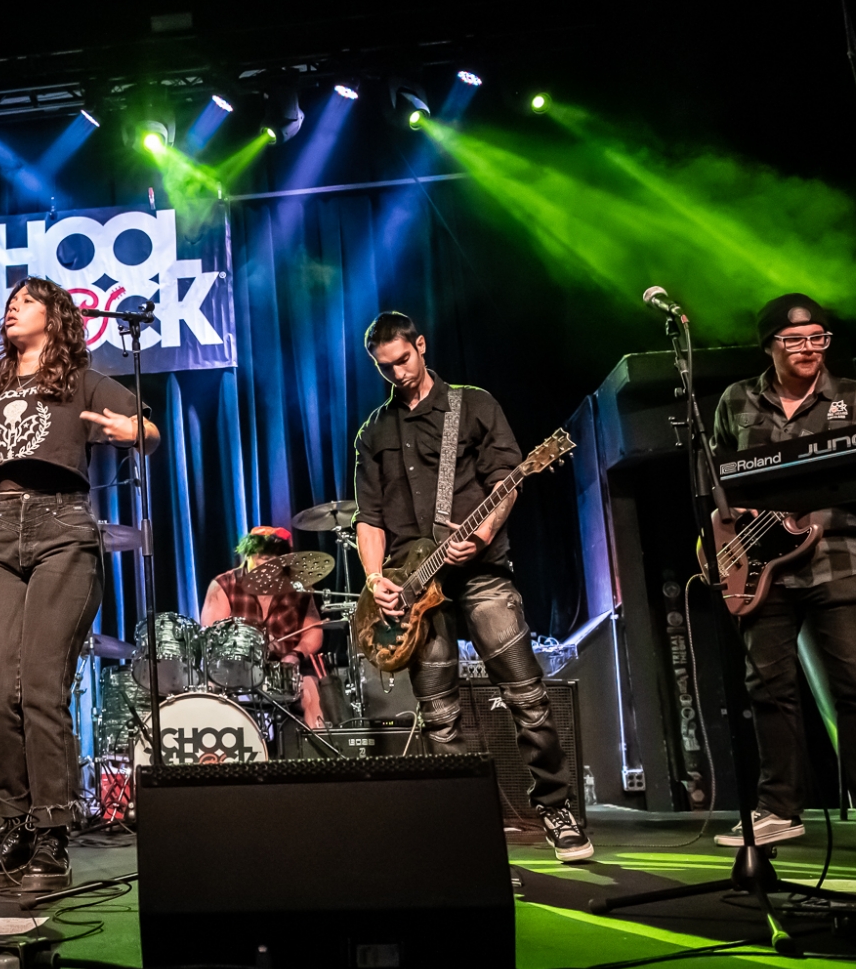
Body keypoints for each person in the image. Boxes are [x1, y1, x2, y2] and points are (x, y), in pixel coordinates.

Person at [0, 278, 160, 890]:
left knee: (41, 688)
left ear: (55, 315)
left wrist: (135, 434)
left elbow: (146, 430)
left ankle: (53, 830)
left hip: (63, 531)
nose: (11, 309)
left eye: (25, 300)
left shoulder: (81, 377)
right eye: (9, 303)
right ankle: (14, 823)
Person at [352, 311, 591, 862]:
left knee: (526, 695)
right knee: (439, 713)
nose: (397, 374)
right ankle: (463, 820)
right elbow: (369, 519)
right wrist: (374, 581)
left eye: (404, 360)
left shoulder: (474, 406)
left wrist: (480, 534)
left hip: (482, 574)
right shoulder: (375, 432)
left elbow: (508, 482)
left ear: (421, 345)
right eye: (385, 368)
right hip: (414, 586)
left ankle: (557, 808)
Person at [709, 293, 856, 857]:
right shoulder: (737, 400)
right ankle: (779, 810)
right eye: (795, 340)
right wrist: (733, 531)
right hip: (763, 566)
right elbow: (721, 480)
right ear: (770, 345)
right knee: (767, 688)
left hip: (841, 556)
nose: (808, 349)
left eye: (818, 338)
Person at [199, 526, 326, 729]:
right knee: (212, 692)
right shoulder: (224, 584)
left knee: (311, 688)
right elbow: (212, 636)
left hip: (284, 670)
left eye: (274, 558)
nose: (267, 562)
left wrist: (295, 654)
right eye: (262, 556)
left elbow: (313, 631)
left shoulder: (298, 588)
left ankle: (320, 751)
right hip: (235, 670)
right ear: (248, 554)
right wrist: (258, 648)